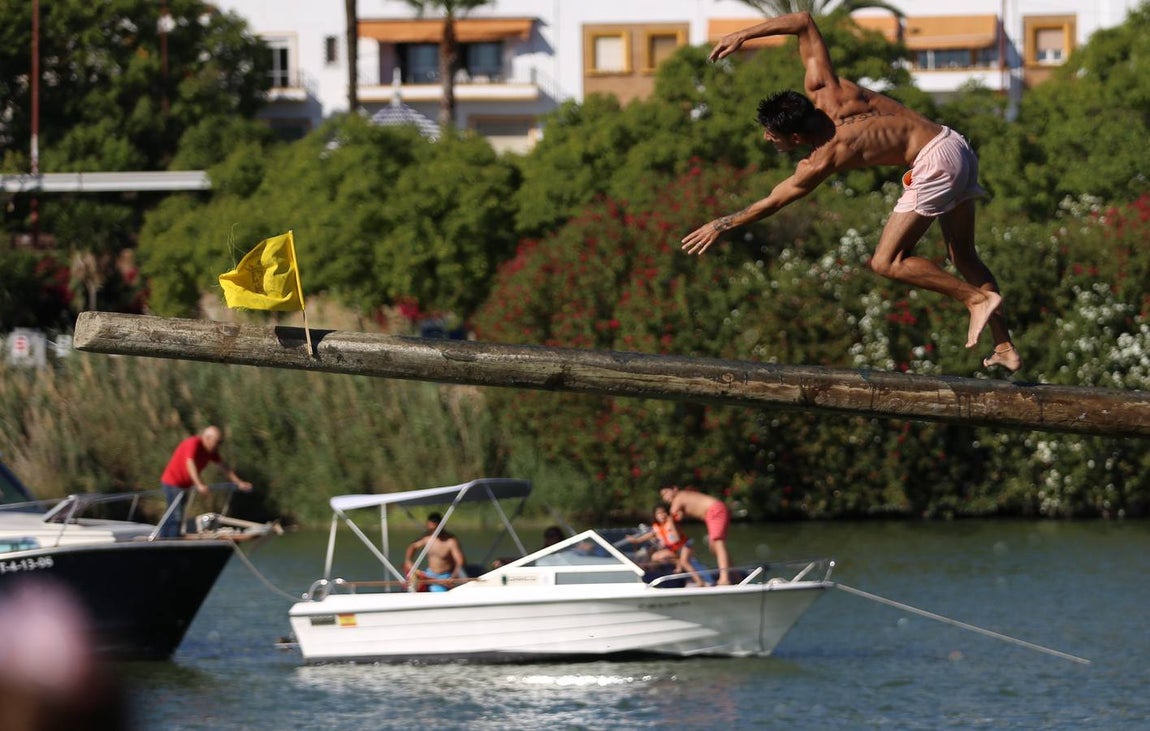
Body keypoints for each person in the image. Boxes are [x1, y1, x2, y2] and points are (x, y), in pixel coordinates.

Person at [681, 12, 1021, 373]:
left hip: (934, 162)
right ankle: (1004, 345)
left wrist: (721, 224)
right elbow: (803, 21)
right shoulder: (825, 89)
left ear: (796, 138)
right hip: (953, 143)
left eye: (773, 136)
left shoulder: (821, 159)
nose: (767, 139)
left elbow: (773, 201)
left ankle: (974, 299)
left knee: (886, 261)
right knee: (963, 255)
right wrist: (742, 35)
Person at [158, 425, 251, 538]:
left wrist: (239, 482)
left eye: (220, 442)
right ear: (207, 438)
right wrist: (199, 484)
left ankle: (168, 538)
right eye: (217, 442)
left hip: (184, 485)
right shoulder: (194, 443)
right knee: (175, 514)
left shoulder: (211, 451)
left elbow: (224, 467)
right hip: (172, 482)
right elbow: (190, 463)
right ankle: (168, 541)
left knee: (178, 514)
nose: (218, 446)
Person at [660, 485, 732, 585]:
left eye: (666, 493)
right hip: (714, 512)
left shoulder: (679, 497)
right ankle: (734, 575)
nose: (665, 498)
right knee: (714, 547)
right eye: (662, 496)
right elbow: (681, 515)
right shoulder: (684, 497)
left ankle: (725, 579)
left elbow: (672, 513)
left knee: (718, 544)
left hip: (714, 510)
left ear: (675, 489)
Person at [627, 504, 708, 587]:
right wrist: (636, 540)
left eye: (664, 513)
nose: (662, 515)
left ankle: (699, 581)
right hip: (673, 549)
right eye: (659, 514)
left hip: (685, 547)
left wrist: (671, 522)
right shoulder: (658, 527)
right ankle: (677, 563)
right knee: (656, 557)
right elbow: (649, 535)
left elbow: (676, 538)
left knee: (685, 562)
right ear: (655, 516)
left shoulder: (672, 523)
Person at [403, 512, 467, 592]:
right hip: (429, 574)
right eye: (430, 529)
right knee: (410, 588)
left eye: (434, 529)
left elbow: (460, 562)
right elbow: (413, 546)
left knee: (436, 591)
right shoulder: (427, 537)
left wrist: (453, 577)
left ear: (442, 526)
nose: (432, 532)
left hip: (444, 576)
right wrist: (408, 560)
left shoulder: (451, 541)